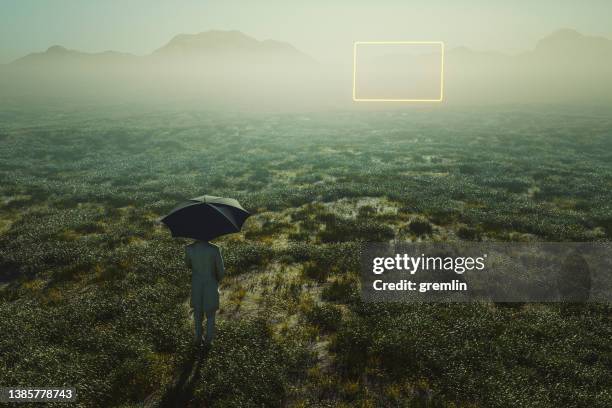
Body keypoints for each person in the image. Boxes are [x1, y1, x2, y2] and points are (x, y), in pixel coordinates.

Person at [185, 240, 225, 346]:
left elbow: (188, 264)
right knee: (211, 314)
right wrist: (215, 279)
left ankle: (198, 339)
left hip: (196, 284)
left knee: (197, 313)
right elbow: (221, 271)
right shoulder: (214, 249)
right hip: (211, 284)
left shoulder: (189, 248)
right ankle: (208, 341)